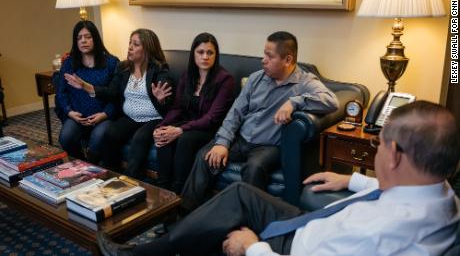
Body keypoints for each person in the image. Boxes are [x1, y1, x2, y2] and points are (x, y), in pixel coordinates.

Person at [97, 100, 460, 256]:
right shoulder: (439, 196)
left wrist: (252, 247)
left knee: (227, 228)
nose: (377, 153)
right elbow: (399, 189)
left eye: (380, 146)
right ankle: (173, 241)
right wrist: (353, 181)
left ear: (395, 155)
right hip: (311, 226)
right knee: (239, 194)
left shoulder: (380, 235)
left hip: (293, 248)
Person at [181, 31, 339, 211]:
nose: (263, 60)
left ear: (287, 60)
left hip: (268, 146)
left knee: (254, 168)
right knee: (205, 156)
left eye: (269, 56)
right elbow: (236, 113)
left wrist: (294, 102)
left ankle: (246, 225)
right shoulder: (257, 78)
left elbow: (331, 101)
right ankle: (187, 215)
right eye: (264, 53)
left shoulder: (304, 82)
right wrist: (223, 143)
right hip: (241, 138)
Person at [66, 29, 173, 180]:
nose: (130, 47)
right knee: (110, 134)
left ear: (147, 49)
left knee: (139, 139)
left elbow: (168, 105)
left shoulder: (160, 70)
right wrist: (86, 86)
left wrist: (161, 99)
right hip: (130, 117)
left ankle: (131, 181)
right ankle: (111, 176)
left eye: (135, 44)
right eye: (130, 43)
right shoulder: (124, 68)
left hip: (153, 119)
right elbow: (111, 92)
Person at [153, 32, 235, 193]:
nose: (205, 57)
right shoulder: (187, 75)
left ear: (216, 55)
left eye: (210, 53)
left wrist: (180, 129)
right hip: (188, 124)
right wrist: (161, 126)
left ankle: (178, 192)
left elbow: (212, 118)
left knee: (185, 139)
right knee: (164, 134)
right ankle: (162, 192)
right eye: (200, 52)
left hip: (210, 130)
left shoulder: (225, 80)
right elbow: (177, 107)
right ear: (194, 54)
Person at [56, 20, 119, 163]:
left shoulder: (111, 62)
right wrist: (70, 112)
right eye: (79, 38)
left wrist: (104, 114)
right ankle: (79, 161)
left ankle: (91, 166)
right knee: (65, 138)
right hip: (79, 117)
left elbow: (116, 96)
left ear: (95, 38)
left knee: (97, 139)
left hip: (103, 116)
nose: (83, 41)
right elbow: (61, 93)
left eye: (88, 37)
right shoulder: (69, 63)